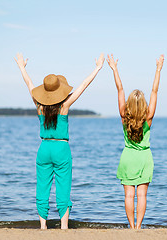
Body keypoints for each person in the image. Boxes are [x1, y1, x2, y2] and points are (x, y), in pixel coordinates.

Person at [14, 53, 105, 229]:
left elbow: (29, 84)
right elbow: (83, 86)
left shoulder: (39, 105)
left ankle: (42, 226)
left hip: (44, 148)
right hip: (61, 148)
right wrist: (98, 68)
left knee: (42, 187)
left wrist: (21, 67)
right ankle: (64, 227)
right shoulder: (64, 106)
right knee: (63, 186)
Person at [107, 54, 164, 229]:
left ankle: (131, 226)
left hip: (128, 157)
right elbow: (154, 91)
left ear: (129, 104)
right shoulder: (148, 117)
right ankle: (139, 226)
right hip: (144, 157)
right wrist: (158, 69)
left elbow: (120, 89)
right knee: (142, 195)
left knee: (128, 196)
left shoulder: (125, 116)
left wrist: (114, 69)